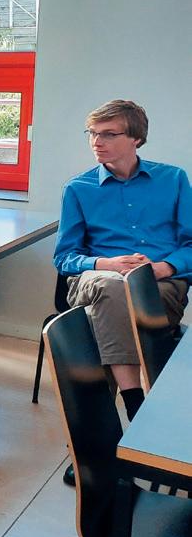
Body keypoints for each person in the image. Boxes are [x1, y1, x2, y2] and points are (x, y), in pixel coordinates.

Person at [54, 99, 189, 417]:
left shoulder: (174, 180)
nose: (97, 142)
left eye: (109, 134)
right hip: (96, 279)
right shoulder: (78, 188)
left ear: (136, 139)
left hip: (158, 284)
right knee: (112, 286)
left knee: (100, 324)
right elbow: (64, 257)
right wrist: (106, 264)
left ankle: (98, 433)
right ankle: (138, 404)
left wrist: (163, 268)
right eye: (92, 133)